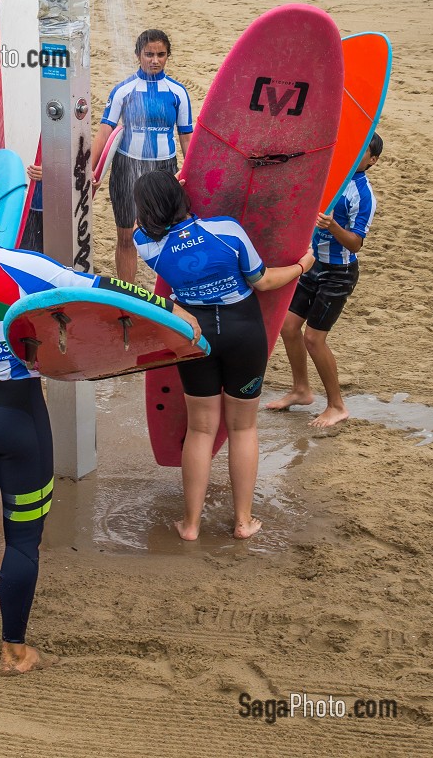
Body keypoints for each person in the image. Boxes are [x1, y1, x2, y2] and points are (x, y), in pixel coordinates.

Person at [0, 169, 192, 674]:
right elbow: (104, 292)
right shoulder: (24, 265)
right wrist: (170, 310)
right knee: (23, 538)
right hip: (19, 418)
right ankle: (16, 649)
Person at [133, 170, 316, 540]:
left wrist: (159, 203)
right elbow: (262, 280)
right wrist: (301, 267)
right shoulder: (227, 230)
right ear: (182, 197)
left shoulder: (146, 246)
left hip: (194, 337)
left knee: (200, 429)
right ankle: (243, 522)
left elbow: (142, 226)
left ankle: (190, 525)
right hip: (243, 332)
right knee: (243, 427)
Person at [265, 134, 382, 428]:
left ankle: (337, 406)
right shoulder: (330, 175)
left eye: (363, 151)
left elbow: (355, 244)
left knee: (314, 338)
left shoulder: (363, 194)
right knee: (288, 326)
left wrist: (334, 227)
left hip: (338, 274)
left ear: (373, 161)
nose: (356, 154)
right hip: (312, 265)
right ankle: (301, 390)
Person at [91, 29, 194, 282]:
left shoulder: (178, 92)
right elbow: (104, 132)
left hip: (164, 170)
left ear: (168, 56)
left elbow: (186, 137)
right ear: (138, 55)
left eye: (161, 54)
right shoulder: (123, 90)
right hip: (127, 166)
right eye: (149, 54)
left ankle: (171, 290)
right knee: (126, 236)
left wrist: (193, 172)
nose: (155, 60)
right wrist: (89, 170)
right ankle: (127, 294)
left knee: (170, 233)